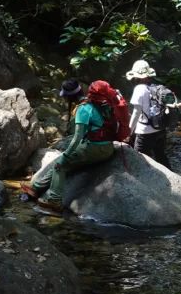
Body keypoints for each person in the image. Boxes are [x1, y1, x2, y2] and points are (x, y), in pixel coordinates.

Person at [21, 80, 117, 211]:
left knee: (60, 165)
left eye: (65, 96)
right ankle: (36, 187)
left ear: (70, 96)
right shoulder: (97, 104)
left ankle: (54, 200)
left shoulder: (83, 109)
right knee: (62, 161)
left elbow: (77, 137)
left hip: (95, 149)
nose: (64, 98)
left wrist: (66, 155)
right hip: (108, 147)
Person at [126, 59, 177, 167]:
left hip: (145, 132)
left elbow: (136, 112)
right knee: (161, 156)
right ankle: (170, 175)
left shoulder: (139, 89)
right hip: (160, 128)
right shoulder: (155, 87)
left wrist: (129, 131)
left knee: (140, 159)